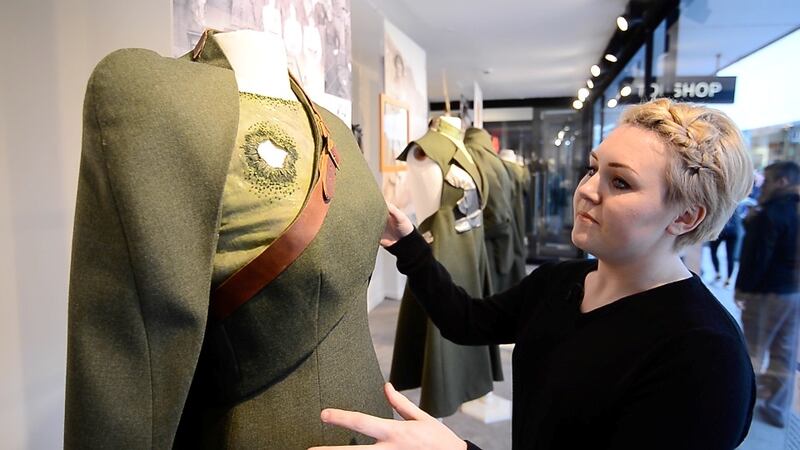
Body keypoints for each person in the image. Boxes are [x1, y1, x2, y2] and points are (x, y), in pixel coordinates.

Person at [310, 98, 756, 450]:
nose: (586, 190)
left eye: (620, 182)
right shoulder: (559, 283)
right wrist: (408, 245)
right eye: (593, 168)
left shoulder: (703, 354)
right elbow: (466, 321)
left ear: (686, 216)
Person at [735, 161, 800, 428]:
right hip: (793, 293)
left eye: (768, 181)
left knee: (752, 349)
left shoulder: (771, 212)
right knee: (785, 352)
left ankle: (741, 405)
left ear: (782, 182)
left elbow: (758, 256)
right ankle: (777, 409)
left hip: (766, 293)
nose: (762, 187)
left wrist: (743, 288)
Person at [708, 210, 742, 287]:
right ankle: (728, 279)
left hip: (721, 229)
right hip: (734, 230)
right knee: (730, 256)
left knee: (713, 251)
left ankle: (718, 273)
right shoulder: (737, 204)